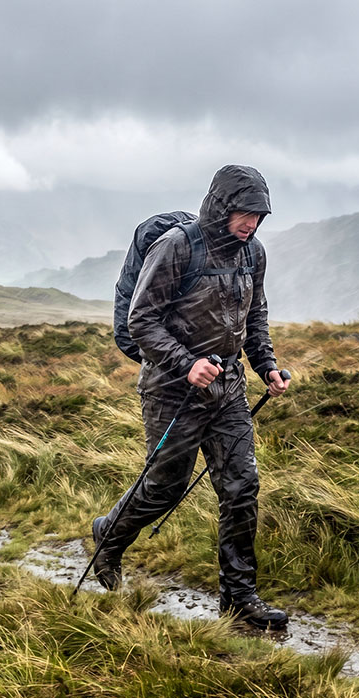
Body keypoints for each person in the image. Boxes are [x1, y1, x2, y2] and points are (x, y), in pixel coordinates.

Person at [92, 164, 291, 630]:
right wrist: (186, 364)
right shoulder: (176, 246)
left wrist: (265, 365)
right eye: (245, 214)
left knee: (242, 489)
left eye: (259, 216)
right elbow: (142, 321)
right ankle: (109, 536)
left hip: (229, 389)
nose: (252, 224)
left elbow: (254, 313)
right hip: (170, 389)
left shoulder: (253, 253)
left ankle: (240, 600)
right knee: (165, 486)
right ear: (222, 207)